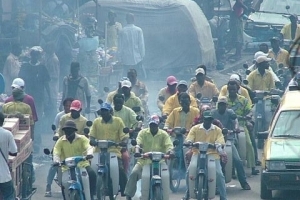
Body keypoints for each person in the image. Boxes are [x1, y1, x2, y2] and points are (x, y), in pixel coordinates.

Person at [124, 115, 174, 200]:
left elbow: (169, 145)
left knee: (166, 176)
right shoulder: (143, 133)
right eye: (151, 125)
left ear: (158, 125)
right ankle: (129, 194)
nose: (153, 127)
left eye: (155, 125)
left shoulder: (164, 134)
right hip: (144, 160)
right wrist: (137, 151)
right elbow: (138, 143)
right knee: (134, 173)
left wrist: (170, 152)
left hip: (160, 161)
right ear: (149, 124)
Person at [183, 110, 227, 200]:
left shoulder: (217, 130)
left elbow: (221, 141)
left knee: (219, 174)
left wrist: (218, 146)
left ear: (212, 120)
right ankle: (187, 193)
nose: (208, 121)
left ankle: (223, 197)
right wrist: (189, 142)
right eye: (206, 119)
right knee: (189, 172)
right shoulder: (195, 128)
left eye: (210, 119)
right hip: (197, 153)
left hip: (213, 154)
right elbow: (189, 138)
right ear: (203, 119)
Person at [211, 96, 251, 190]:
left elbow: (235, 120)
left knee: (237, 160)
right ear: (218, 105)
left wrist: (236, 127)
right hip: (214, 140)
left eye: (223, 105)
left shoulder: (230, 112)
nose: (222, 106)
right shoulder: (213, 113)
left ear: (226, 105)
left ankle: (243, 182)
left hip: (228, 139)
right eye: (220, 104)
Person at [89, 102, 128, 196]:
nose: (104, 113)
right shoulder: (96, 122)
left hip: (114, 151)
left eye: (106, 111)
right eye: (102, 111)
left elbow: (124, 136)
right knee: (90, 170)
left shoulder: (118, 121)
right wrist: (92, 140)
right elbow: (92, 135)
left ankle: (125, 190)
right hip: (98, 151)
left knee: (120, 169)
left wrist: (124, 141)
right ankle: (91, 190)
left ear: (110, 111)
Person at [53, 120, 96, 199]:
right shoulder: (60, 141)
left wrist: (89, 154)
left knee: (92, 174)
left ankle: (92, 195)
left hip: (82, 165)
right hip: (66, 167)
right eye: (66, 130)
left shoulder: (82, 138)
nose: (68, 132)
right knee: (63, 184)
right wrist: (56, 160)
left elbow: (89, 146)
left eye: (70, 130)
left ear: (74, 130)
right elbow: (56, 151)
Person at [226, 83, 259, 175]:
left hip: (241, 125)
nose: (232, 91)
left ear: (237, 89)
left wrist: (248, 116)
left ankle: (252, 167)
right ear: (228, 89)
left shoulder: (243, 100)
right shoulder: (224, 101)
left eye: (234, 89)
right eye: (230, 89)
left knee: (248, 144)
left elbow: (249, 111)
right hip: (227, 126)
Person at [44, 97, 73, 197]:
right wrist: (57, 136)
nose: (68, 107)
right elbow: (56, 129)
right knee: (54, 165)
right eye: (66, 105)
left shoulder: (79, 117)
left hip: (75, 144)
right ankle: (48, 186)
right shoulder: (60, 116)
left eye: (70, 106)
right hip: (61, 143)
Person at [18, 46, 51, 122]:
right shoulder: (25, 67)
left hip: (39, 97)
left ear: (38, 56)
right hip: (27, 96)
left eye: (36, 55)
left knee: (38, 116)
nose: (35, 57)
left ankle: (38, 132)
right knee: (27, 115)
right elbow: (20, 82)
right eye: (33, 55)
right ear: (31, 56)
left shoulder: (42, 68)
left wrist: (49, 96)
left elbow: (46, 84)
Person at [118, 13, 145, 77]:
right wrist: (142, 56)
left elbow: (120, 46)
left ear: (126, 20)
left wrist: (120, 58)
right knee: (136, 77)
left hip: (126, 59)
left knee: (126, 76)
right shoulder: (138, 30)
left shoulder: (122, 31)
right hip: (137, 58)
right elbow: (141, 44)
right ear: (134, 19)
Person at [0, 112, 18, 200]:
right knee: (9, 195)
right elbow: (14, 152)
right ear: (3, 122)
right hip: (4, 176)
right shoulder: (7, 134)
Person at [42, 42, 60, 121]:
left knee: (52, 105)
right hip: (47, 87)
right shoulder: (47, 57)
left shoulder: (54, 59)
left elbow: (56, 75)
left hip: (51, 86)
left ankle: (52, 122)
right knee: (47, 106)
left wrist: (46, 77)